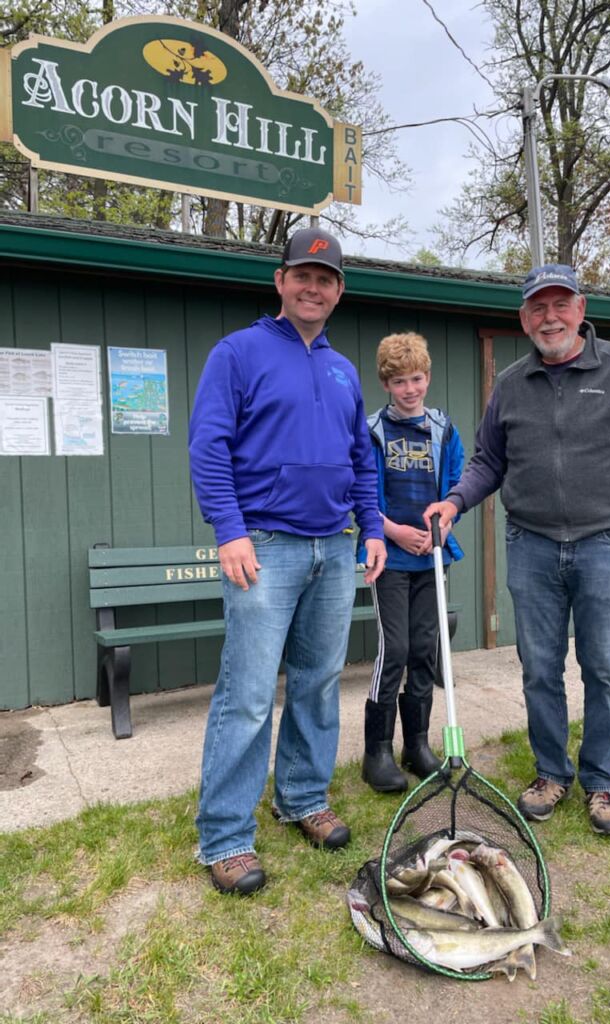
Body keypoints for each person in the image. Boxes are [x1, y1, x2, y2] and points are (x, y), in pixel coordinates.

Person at [425, 264, 610, 837]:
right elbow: (490, 459)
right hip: (532, 543)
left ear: (580, 310)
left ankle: (602, 781)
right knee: (539, 667)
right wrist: (455, 501)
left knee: (604, 667)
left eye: (560, 304)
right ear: (523, 318)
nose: (550, 317)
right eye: (538, 308)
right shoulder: (512, 384)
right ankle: (550, 773)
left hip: (607, 542)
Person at [188, 226, 386, 895]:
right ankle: (224, 836)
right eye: (302, 275)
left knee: (318, 680)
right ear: (280, 281)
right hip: (263, 547)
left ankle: (302, 798)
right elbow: (209, 446)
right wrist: (230, 530)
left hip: (333, 548)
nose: (313, 287)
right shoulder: (238, 353)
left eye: (326, 279)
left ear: (339, 292)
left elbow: (363, 458)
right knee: (246, 694)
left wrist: (374, 528)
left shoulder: (342, 369)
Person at [359, 333, 464, 792]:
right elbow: (359, 491)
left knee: (426, 649)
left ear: (428, 378)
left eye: (416, 379)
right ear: (386, 383)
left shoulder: (443, 429)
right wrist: (393, 531)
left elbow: (459, 484)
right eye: (399, 381)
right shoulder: (373, 431)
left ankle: (416, 745)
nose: (409, 389)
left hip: (432, 555)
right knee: (396, 649)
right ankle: (376, 750)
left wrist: (444, 525)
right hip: (391, 556)